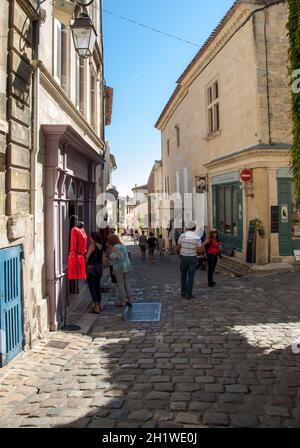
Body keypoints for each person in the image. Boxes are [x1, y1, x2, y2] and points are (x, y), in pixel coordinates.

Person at [176, 221, 203, 300]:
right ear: (194, 228)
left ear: (186, 228)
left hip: (183, 257)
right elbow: (200, 250)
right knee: (191, 276)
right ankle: (189, 293)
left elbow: (178, 248)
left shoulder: (182, 236)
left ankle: (183, 292)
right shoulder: (197, 237)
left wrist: (179, 254)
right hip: (192, 258)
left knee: (183, 275)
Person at [108, 234, 134, 307]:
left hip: (119, 267)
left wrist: (110, 251)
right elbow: (128, 253)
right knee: (127, 284)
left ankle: (122, 301)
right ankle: (130, 300)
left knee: (121, 285)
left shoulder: (115, 247)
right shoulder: (123, 245)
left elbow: (113, 257)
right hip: (127, 266)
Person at [85, 232, 105, 314]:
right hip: (99, 268)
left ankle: (96, 306)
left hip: (91, 268)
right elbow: (103, 258)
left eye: (91, 237)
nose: (90, 239)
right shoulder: (101, 246)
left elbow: (87, 256)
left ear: (93, 238)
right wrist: (102, 269)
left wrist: (85, 262)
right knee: (97, 286)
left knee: (92, 287)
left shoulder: (92, 246)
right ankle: (99, 305)